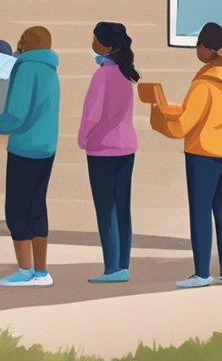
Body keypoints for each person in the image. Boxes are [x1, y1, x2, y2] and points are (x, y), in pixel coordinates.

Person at [149, 22, 222, 289]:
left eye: (198, 45)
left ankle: (202, 274)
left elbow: (183, 126)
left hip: (202, 153)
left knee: (200, 213)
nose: (196, 50)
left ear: (207, 48)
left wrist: (158, 117)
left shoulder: (205, 82)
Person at [79, 22, 140, 284]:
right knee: (122, 207)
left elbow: (91, 115)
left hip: (102, 149)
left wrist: (82, 139)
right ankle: (122, 265)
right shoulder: (126, 75)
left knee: (106, 209)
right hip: (126, 147)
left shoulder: (102, 76)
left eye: (95, 38)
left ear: (106, 45)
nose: (92, 41)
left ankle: (111, 268)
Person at [0, 27, 60, 287]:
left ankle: (25, 271)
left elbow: (15, 114)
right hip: (46, 147)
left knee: (15, 210)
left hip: (25, 148)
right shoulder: (50, 69)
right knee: (37, 207)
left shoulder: (25, 69)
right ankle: (41, 271)